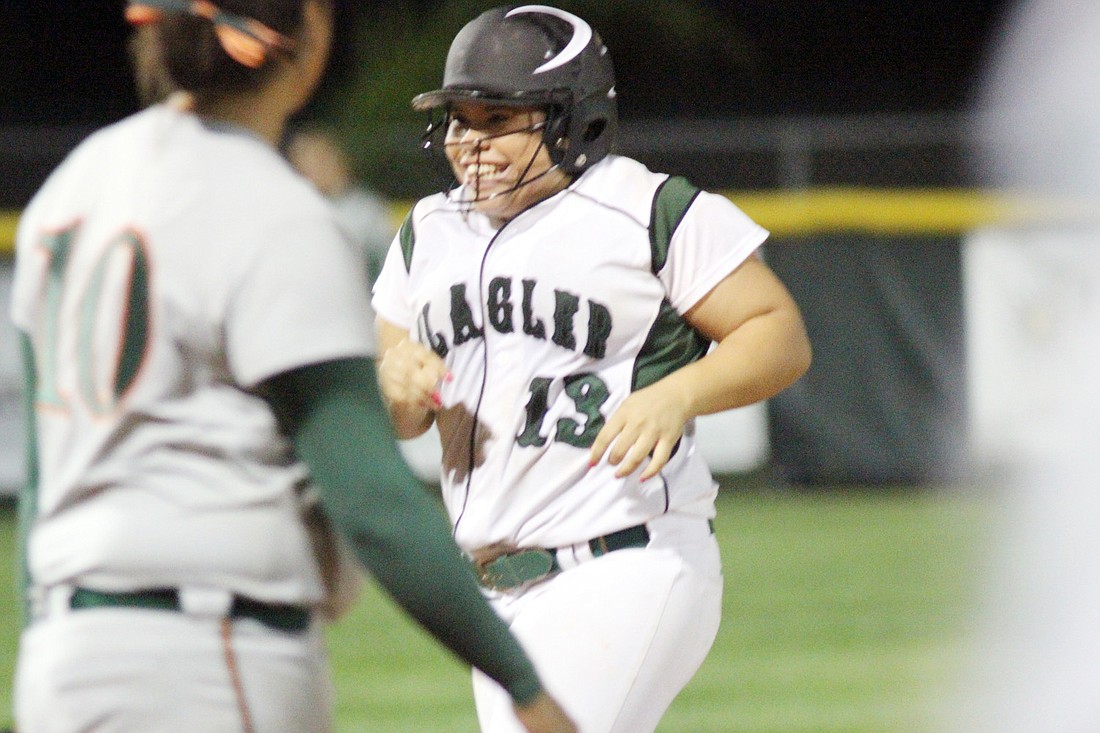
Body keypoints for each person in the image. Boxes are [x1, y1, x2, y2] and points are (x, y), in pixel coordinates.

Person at [8, 1, 575, 732]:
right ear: (306, 39)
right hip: (207, 654)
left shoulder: (73, 184)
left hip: (65, 648)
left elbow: (39, 472)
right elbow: (373, 505)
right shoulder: (273, 210)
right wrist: (526, 686)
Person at [371, 5, 812, 732]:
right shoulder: (428, 231)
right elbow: (399, 409)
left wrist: (681, 392)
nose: (470, 143)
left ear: (572, 120)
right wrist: (393, 383)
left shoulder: (648, 208)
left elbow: (779, 333)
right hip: (492, 587)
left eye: (497, 120)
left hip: (625, 560)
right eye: (459, 120)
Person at [285, 125, 395, 286]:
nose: (308, 169)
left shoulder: (364, 210)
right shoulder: (293, 209)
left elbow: (388, 266)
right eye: (301, 161)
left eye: (318, 159)